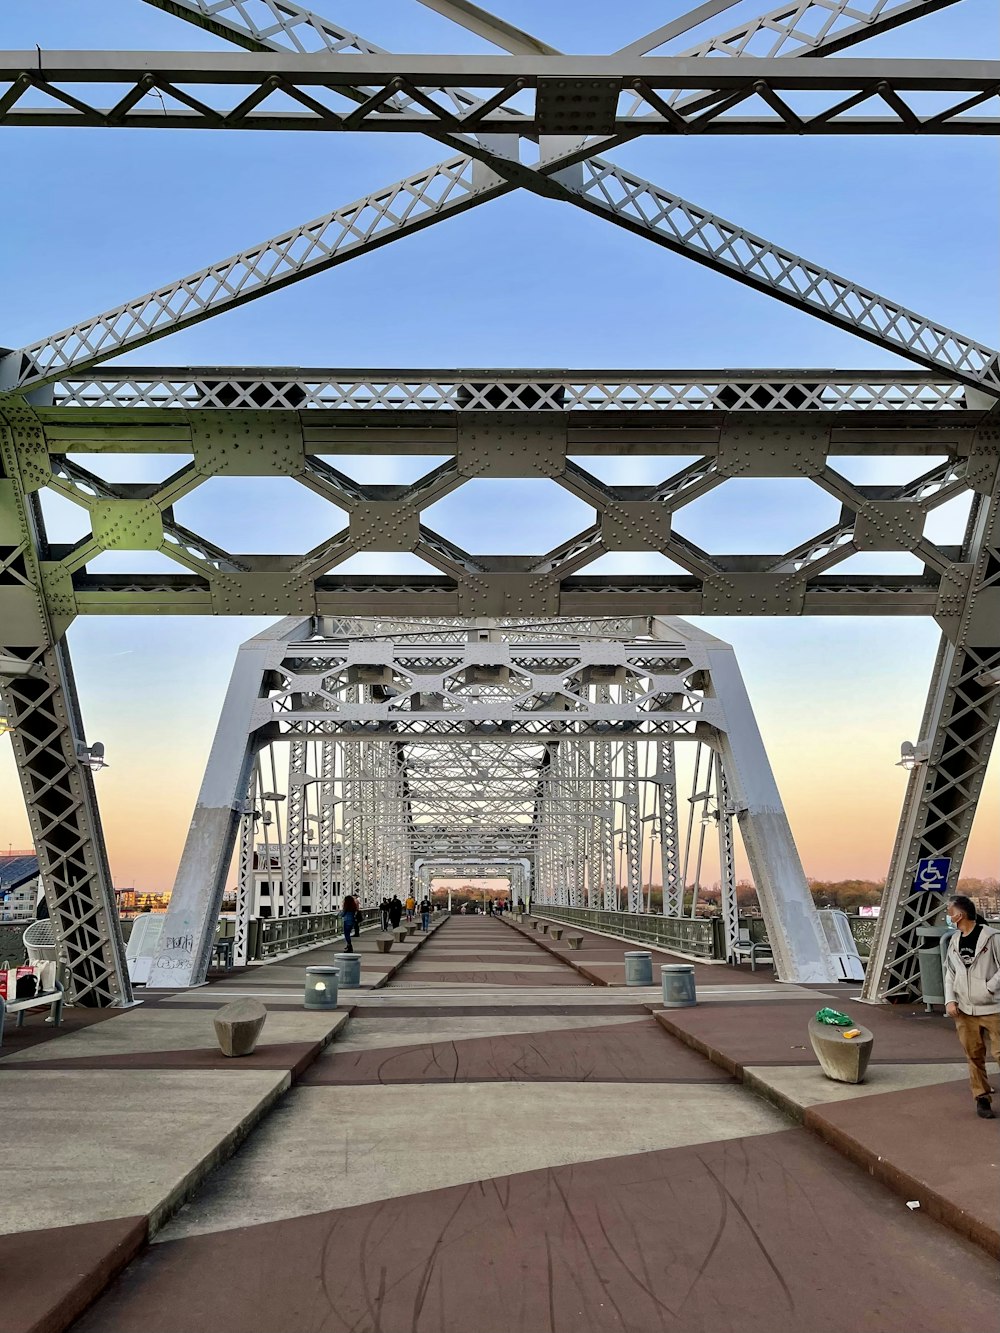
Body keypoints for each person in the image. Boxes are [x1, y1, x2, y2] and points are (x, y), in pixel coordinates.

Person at [944, 894, 1000, 1119]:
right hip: (965, 1009)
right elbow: (950, 972)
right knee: (973, 1055)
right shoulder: (955, 941)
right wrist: (950, 999)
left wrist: (989, 987)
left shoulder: (992, 937)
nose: (948, 917)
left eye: (950, 913)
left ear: (961, 914)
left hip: (993, 1007)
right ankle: (982, 1098)